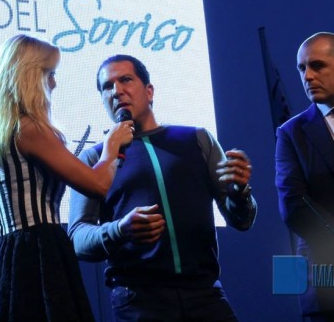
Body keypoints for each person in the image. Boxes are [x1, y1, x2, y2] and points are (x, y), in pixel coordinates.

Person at [68, 54, 257, 322]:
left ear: (149, 91)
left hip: (205, 295)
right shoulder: (95, 159)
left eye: (125, 80)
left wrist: (239, 193)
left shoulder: (197, 139)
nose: (117, 91)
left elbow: (242, 220)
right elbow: (78, 239)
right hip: (138, 301)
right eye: (107, 86)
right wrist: (119, 230)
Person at [0, 35, 134, 322]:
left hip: (8, 260)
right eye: (49, 74)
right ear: (30, 76)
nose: (54, 83)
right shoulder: (30, 129)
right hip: (40, 250)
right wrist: (112, 146)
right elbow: (98, 184)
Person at [275, 32, 334, 322]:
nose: (308, 76)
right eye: (302, 68)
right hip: (326, 279)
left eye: (317, 65)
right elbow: (294, 205)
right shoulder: (291, 133)